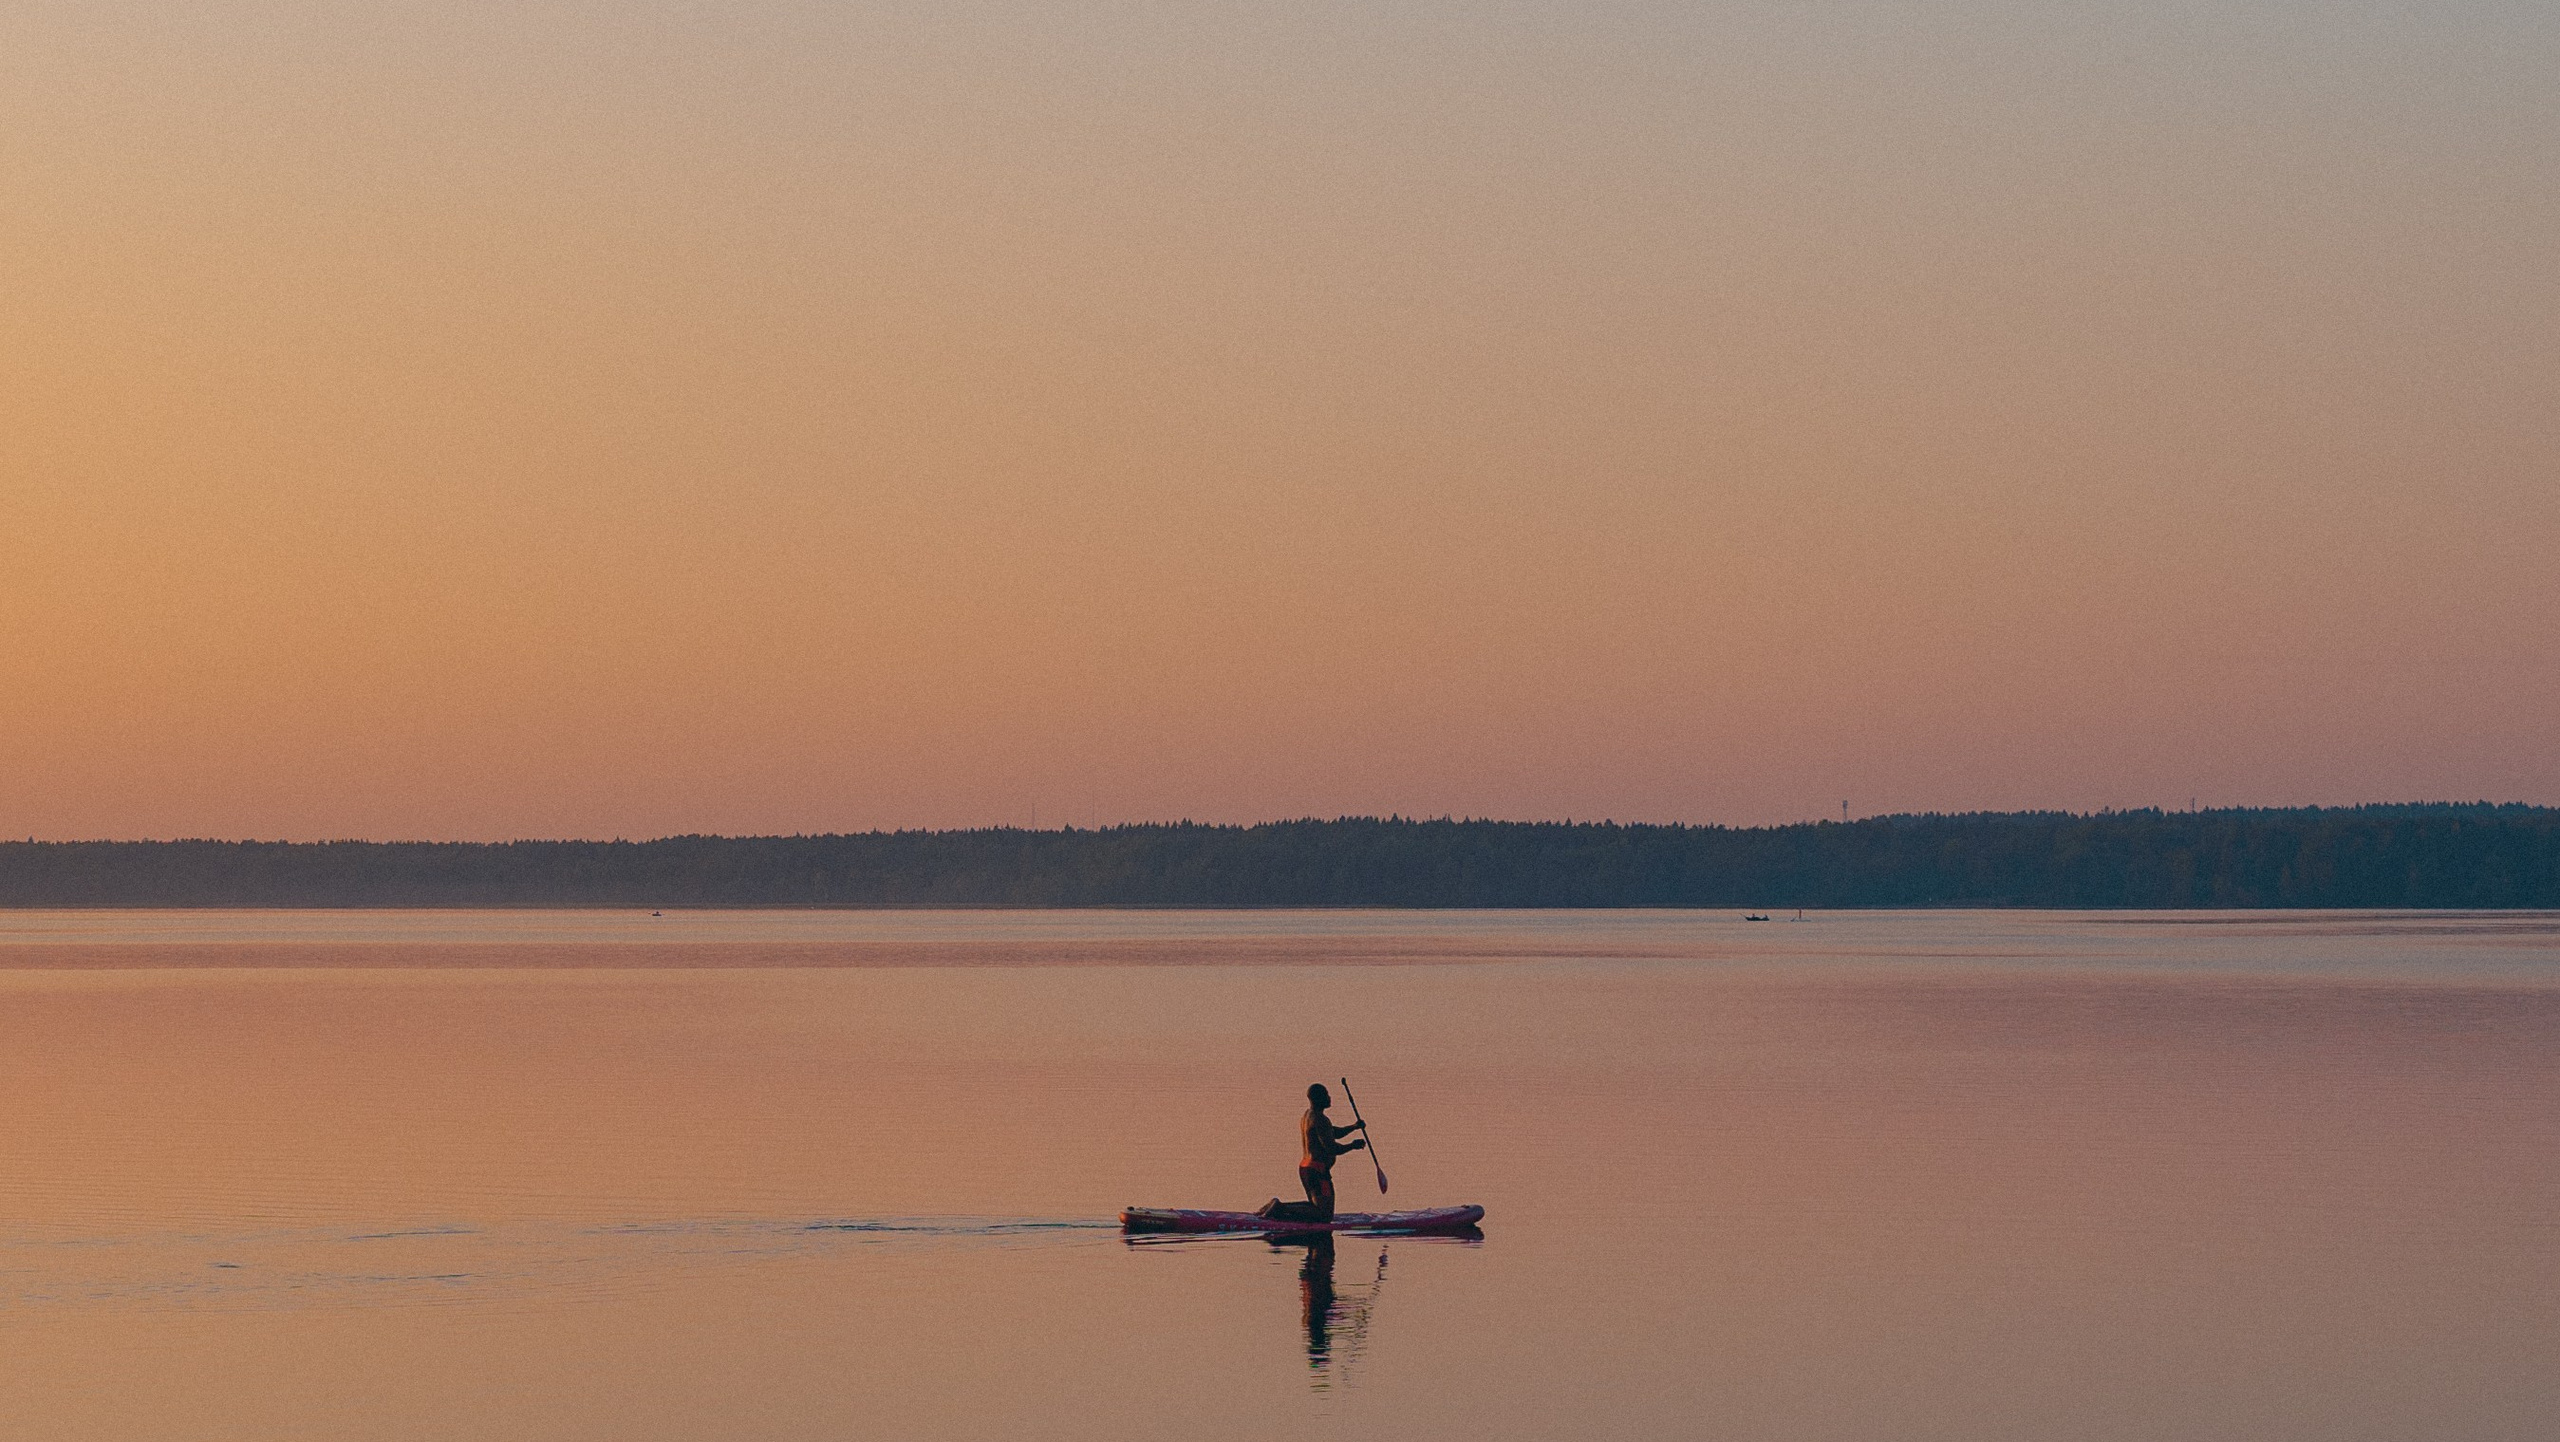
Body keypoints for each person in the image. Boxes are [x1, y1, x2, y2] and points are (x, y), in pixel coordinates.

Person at [1260, 1083, 1366, 1222]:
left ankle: (1278, 1205)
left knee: (1315, 1207)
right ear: (1318, 1099)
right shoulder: (1321, 1119)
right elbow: (1331, 1148)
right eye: (1326, 1095)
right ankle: (1281, 1208)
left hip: (1307, 1167)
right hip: (1318, 1171)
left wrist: (1354, 1127)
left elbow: (1332, 1132)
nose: (1329, 1098)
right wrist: (1352, 1146)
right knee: (1324, 1216)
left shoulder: (1308, 1115)